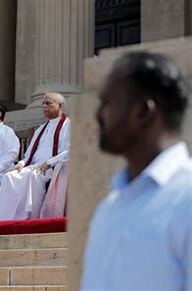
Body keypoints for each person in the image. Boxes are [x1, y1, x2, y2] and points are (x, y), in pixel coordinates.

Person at [81, 51, 191, 290]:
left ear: (143, 112)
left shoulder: (187, 198)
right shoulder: (108, 207)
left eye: (108, 102)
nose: (97, 115)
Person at [0, 92, 70, 221]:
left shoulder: (69, 125)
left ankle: (30, 217)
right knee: (8, 176)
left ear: (60, 106)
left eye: (48, 103)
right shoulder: (41, 128)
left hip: (54, 167)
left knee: (35, 176)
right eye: (43, 104)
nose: (44, 106)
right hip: (34, 166)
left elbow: (69, 150)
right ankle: (4, 219)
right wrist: (21, 164)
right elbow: (28, 154)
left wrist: (49, 163)